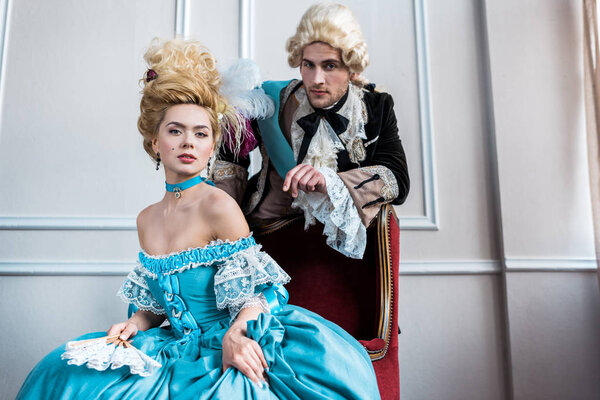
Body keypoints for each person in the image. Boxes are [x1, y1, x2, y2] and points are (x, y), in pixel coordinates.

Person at [16, 39, 381, 399]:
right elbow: (155, 306)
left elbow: (258, 293)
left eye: (201, 133)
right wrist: (132, 324)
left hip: (225, 340)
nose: (188, 142)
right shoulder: (146, 219)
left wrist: (237, 334)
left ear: (211, 146)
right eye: (175, 130)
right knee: (66, 375)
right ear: (155, 142)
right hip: (173, 348)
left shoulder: (218, 205)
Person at [213, 3, 410, 259]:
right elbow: (231, 150)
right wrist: (219, 212)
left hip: (343, 253)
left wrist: (330, 181)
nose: (316, 79)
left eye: (330, 66)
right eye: (308, 65)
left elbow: (397, 180)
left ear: (352, 69)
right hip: (265, 240)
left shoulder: (375, 107)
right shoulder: (271, 98)